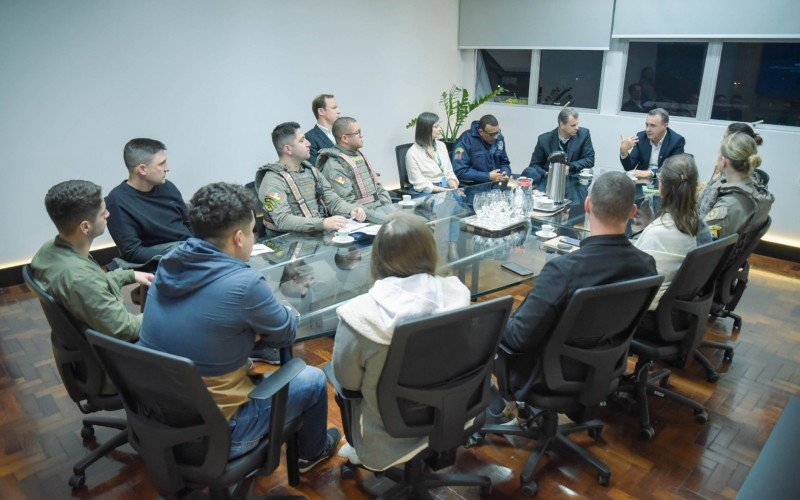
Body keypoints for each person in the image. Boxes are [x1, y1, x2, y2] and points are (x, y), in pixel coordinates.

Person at [138, 182, 339, 468]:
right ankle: (311, 453)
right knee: (312, 378)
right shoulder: (244, 285)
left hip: (160, 420)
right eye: (253, 230)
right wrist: (259, 319)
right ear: (238, 238)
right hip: (223, 432)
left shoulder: (169, 261)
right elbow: (285, 332)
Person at [489, 172, 657, 415]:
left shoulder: (564, 271)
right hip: (604, 368)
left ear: (588, 205)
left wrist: (490, 319)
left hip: (545, 375)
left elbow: (517, 338)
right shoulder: (646, 265)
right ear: (632, 211)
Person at [332, 213, 471, 471]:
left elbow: (348, 381)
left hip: (388, 433)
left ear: (377, 256)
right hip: (452, 414)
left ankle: (358, 448)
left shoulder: (359, 315)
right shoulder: (458, 292)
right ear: (430, 251)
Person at [30, 180, 152, 341]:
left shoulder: (48, 251)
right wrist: (160, 313)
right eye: (103, 213)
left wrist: (127, 275)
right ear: (85, 227)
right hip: (118, 351)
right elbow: (127, 330)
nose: (108, 214)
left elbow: (93, 286)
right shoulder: (80, 278)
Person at [255, 122, 369, 234]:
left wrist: (352, 210)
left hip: (317, 236)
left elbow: (333, 200)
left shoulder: (311, 170)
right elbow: (282, 220)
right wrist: (322, 223)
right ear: (288, 149)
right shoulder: (273, 180)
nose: (308, 143)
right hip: (287, 243)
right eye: (302, 140)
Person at [634, 154, 712, 309]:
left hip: (647, 315)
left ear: (661, 188)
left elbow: (633, 281)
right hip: (678, 308)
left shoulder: (657, 234)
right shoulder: (700, 227)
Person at [105, 138, 192, 267]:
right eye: (161, 164)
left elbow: (189, 223)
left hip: (189, 248)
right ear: (142, 169)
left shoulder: (167, 187)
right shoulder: (117, 201)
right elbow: (133, 252)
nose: (167, 168)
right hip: (165, 258)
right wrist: (181, 256)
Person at [316, 116, 393, 219]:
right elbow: (349, 203)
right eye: (358, 133)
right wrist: (380, 218)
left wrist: (389, 209)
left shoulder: (358, 155)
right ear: (345, 138)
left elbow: (378, 186)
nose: (361, 136)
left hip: (378, 211)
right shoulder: (334, 165)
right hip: (360, 219)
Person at [703, 132, 774, 239]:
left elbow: (705, 241)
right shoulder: (759, 191)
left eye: (719, 153)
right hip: (734, 251)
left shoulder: (725, 210)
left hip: (713, 253)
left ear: (723, 161)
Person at [698, 122, 765, 219]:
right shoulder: (749, 183)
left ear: (724, 161)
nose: (722, 142)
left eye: (725, 138)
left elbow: (714, 232)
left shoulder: (727, 200)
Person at [522, 107, 595, 188]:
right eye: (573, 125)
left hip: (573, 180)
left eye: (577, 124)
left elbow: (590, 159)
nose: (577, 128)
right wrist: (548, 174)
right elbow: (534, 165)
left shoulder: (583, 134)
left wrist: (570, 166)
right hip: (548, 180)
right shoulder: (544, 139)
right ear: (562, 124)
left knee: (577, 195)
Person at [619, 108, 685, 178]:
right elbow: (629, 167)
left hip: (664, 181)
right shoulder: (641, 137)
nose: (647, 129)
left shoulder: (676, 141)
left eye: (653, 126)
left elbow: (674, 169)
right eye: (647, 125)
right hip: (641, 181)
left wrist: (651, 173)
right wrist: (624, 151)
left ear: (665, 126)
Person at [405, 112, 459, 195]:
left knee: (463, 204)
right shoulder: (412, 153)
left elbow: (449, 172)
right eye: (436, 126)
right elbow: (420, 183)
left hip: (445, 186)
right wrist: (446, 191)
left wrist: (454, 187)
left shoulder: (441, 145)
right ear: (426, 129)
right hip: (427, 191)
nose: (440, 129)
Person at [452, 114, 511, 184]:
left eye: (497, 133)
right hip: (472, 186)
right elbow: (459, 171)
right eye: (492, 134)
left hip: (495, 184)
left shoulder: (499, 138)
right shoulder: (465, 140)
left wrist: (505, 172)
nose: (495, 137)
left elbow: (504, 162)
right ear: (481, 132)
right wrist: (487, 176)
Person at [306, 94, 340, 166]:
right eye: (334, 108)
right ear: (321, 111)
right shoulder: (309, 138)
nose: (338, 111)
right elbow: (316, 168)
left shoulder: (342, 134)